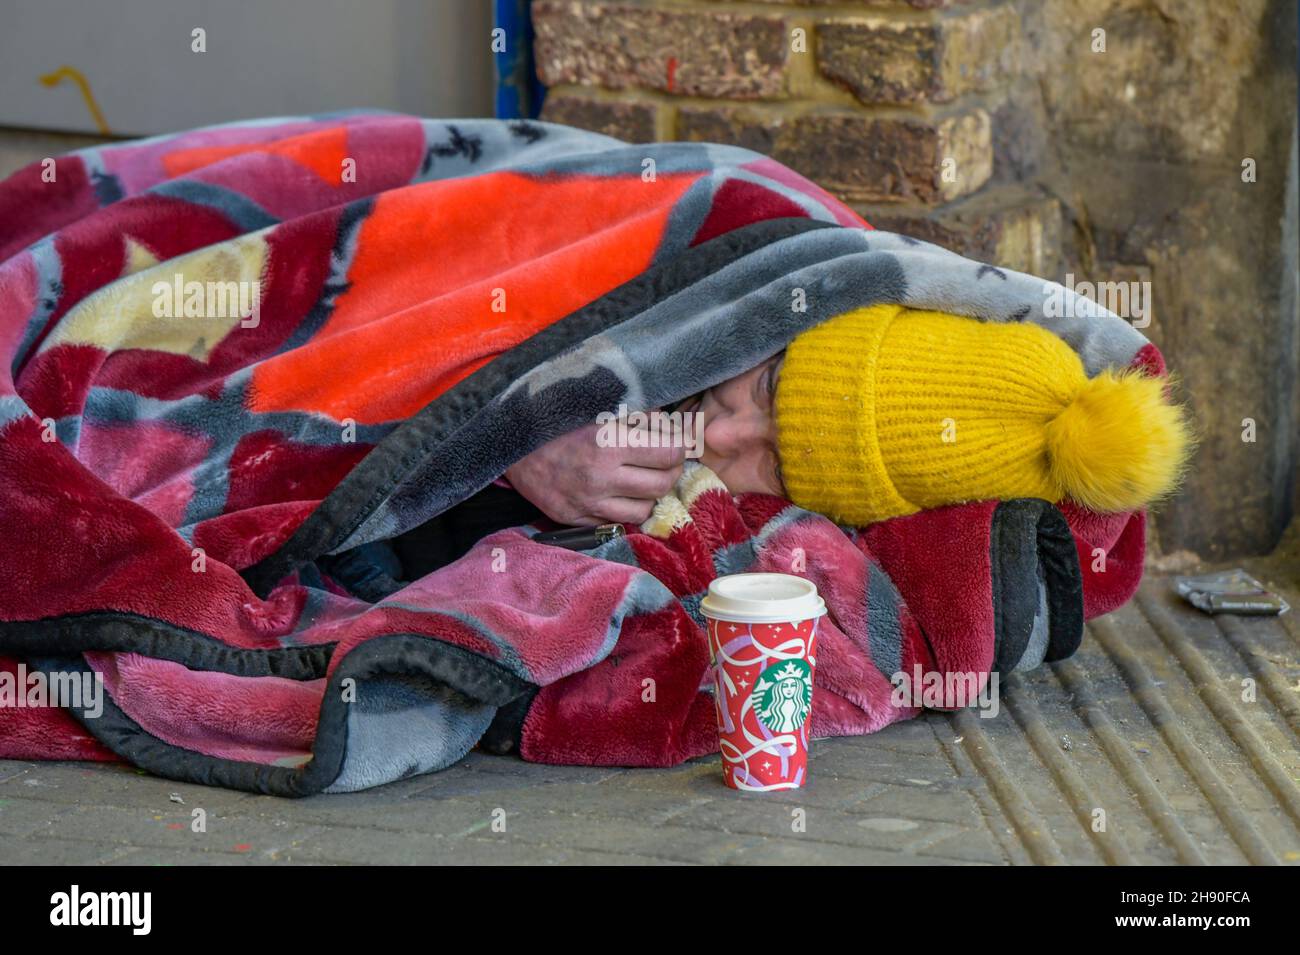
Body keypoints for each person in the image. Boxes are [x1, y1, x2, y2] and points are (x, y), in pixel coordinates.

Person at [370, 304, 1191, 586]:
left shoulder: (703, 527)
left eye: (779, 460)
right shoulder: (754, 272)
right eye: (767, 388)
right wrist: (518, 434)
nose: (722, 433)